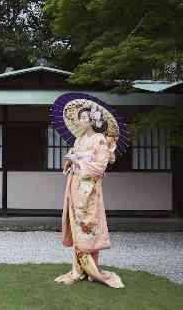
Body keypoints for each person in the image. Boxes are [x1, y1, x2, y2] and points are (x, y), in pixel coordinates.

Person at [54, 105, 125, 288]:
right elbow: (73, 161)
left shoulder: (99, 139)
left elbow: (100, 166)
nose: (82, 120)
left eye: (85, 117)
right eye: (80, 118)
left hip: (89, 186)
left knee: (88, 223)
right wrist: (70, 160)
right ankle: (79, 269)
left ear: (92, 120)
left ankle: (92, 270)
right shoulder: (79, 140)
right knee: (77, 222)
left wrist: (80, 161)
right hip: (76, 183)